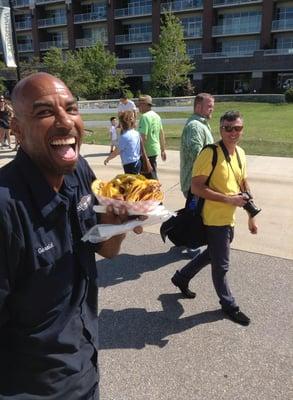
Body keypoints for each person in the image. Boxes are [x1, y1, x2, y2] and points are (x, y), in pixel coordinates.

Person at [0, 72, 143, 399]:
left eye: (71, 108)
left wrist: (117, 224)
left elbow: (104, 249)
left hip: (84, 365)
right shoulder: (6, 210)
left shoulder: (78, 171)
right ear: (18, 131)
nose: (65, 120)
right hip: (33, 389)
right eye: (45, 112)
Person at [171, 111, 258, 326]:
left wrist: (250, 215)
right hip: (213, 218)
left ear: (242, 130)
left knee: (213, 253)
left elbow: (243, 184)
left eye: (237, 128)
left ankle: (181, 277)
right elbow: (196, 187)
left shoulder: (240, 154)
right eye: (228, 128)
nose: (232, 132)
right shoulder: (210, 153)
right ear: (220, 129)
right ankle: (229, 305)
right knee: (221, 265)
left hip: (229, 218)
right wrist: (228, 200)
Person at [180, 93, 214, 203]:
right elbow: (198, 157)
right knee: (196, 219)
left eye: (212, 106)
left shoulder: (201, 124)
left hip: (199, 184)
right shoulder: (195, 127)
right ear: (199, 107)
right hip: (195, 185)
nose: (212, 109)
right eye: (209, 106)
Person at [137, 94, 166, 180]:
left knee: (149, 177)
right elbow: (161, 133)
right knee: (152, 173)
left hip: (146, 151)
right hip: (154, 149)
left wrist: (139, 152)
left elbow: (143, 137)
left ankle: (155, 192)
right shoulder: (157, 116)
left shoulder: (144, 117)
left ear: (145, 105)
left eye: (140, 105)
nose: (138, 107)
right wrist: (163, 150)